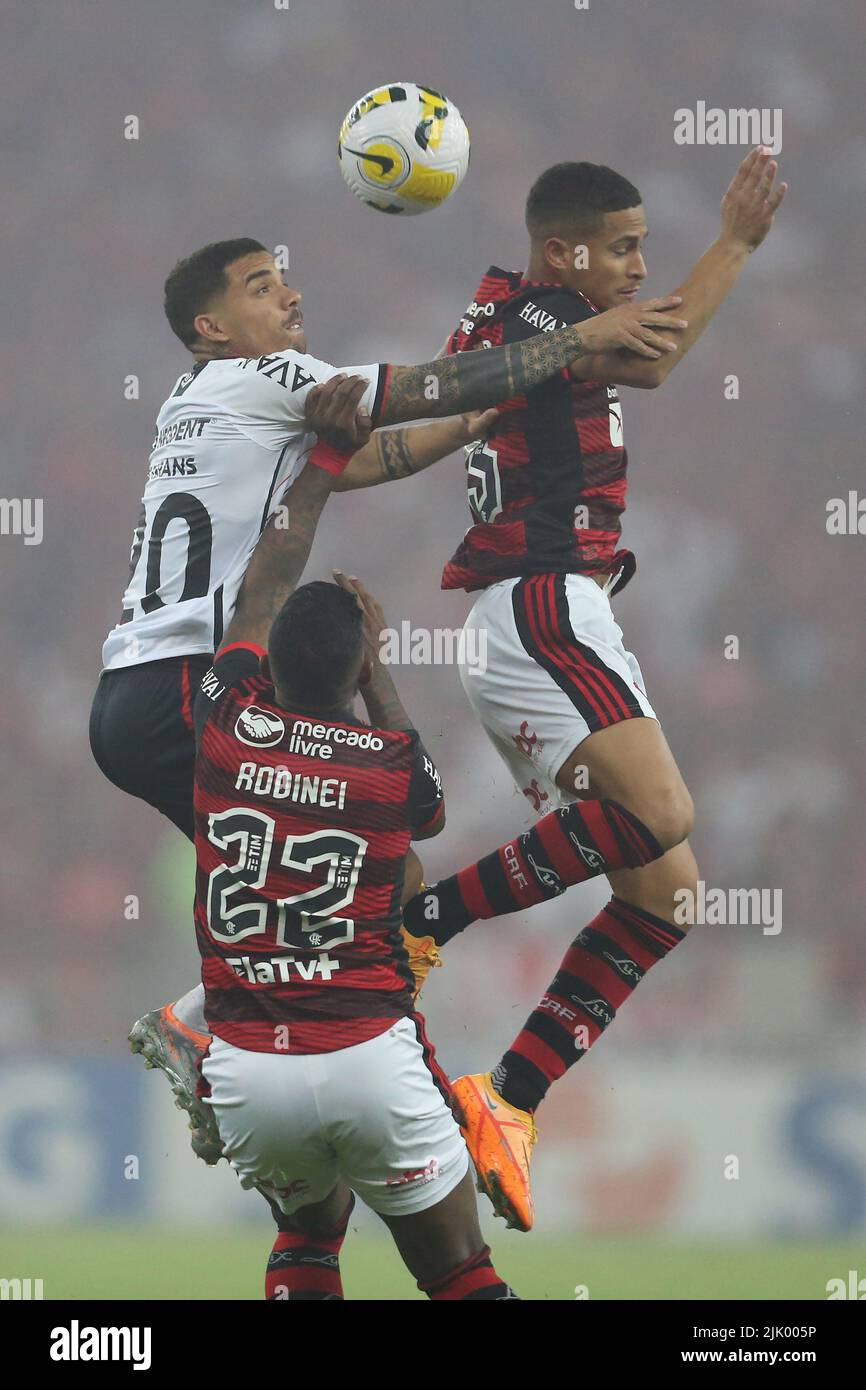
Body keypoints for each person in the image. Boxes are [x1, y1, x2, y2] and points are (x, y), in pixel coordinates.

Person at [89, 237, 683, 1156]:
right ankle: (241, 1042)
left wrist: (485, 418)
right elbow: (419, 390)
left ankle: (222, 1036)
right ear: (211, 328)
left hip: (141, 693)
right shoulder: (266, 375)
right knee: (377, 878)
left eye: (285, 275)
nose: (289, 294)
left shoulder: (201, 400)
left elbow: (375, 454)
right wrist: (577, 339)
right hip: (192, 682)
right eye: (260, 286)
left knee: (358, 881)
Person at [405, 147, 787, 1231]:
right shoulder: (533, 318)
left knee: (664, 890)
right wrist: (737, 244)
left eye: (640, 251)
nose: (633, 267)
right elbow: (659, 353)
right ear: (560, 251)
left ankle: (506, 1097)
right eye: (621, 249)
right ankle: (424, 919)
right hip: (540, 603)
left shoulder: (512, 321)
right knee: (658, 812)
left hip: (548, 612)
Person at [191, 410, 517, 1299]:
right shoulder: (388, 770)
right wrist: (377, 673)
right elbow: (434, 812)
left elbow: (258, 600)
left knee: (306, 1235)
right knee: (458, 1269)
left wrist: (319, 464)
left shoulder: (225, 729)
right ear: (359, 667)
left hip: (250, 1069)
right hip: (367, 1052)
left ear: (268, 667)